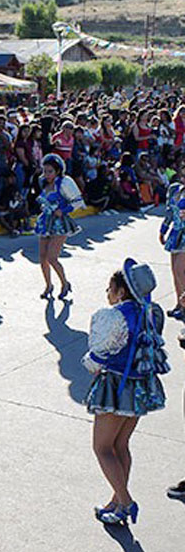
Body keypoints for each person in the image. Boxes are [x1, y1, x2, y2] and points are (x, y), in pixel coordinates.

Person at [83, 260, 170, 525]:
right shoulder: (151, 312)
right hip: (142, 386)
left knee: (102, 448)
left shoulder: (112, 315)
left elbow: (96, 357)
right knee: (120, 445)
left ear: (121, 292)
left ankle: (126, 501)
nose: (107, 293)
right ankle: (117, 502)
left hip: (116, 386)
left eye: (110, 288)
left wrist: (91, 363)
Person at [36, 154, 84, 300]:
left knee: (52, 257)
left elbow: (77, 202)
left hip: (60, 223)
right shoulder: (43, 182)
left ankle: (64, 283)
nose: (46, 174)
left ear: (57, 171)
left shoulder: (64, 183)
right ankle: (48, 285)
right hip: (46, 222)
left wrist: (62, 211)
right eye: (45, 171)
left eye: (50, 171)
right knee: (42, 257)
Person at [160, 176, 185, 320]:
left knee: (179, 271)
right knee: (175, 273)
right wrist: (163, 230)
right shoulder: (174, 189)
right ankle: (179, 305)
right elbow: (169, 211)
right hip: (175, 234)